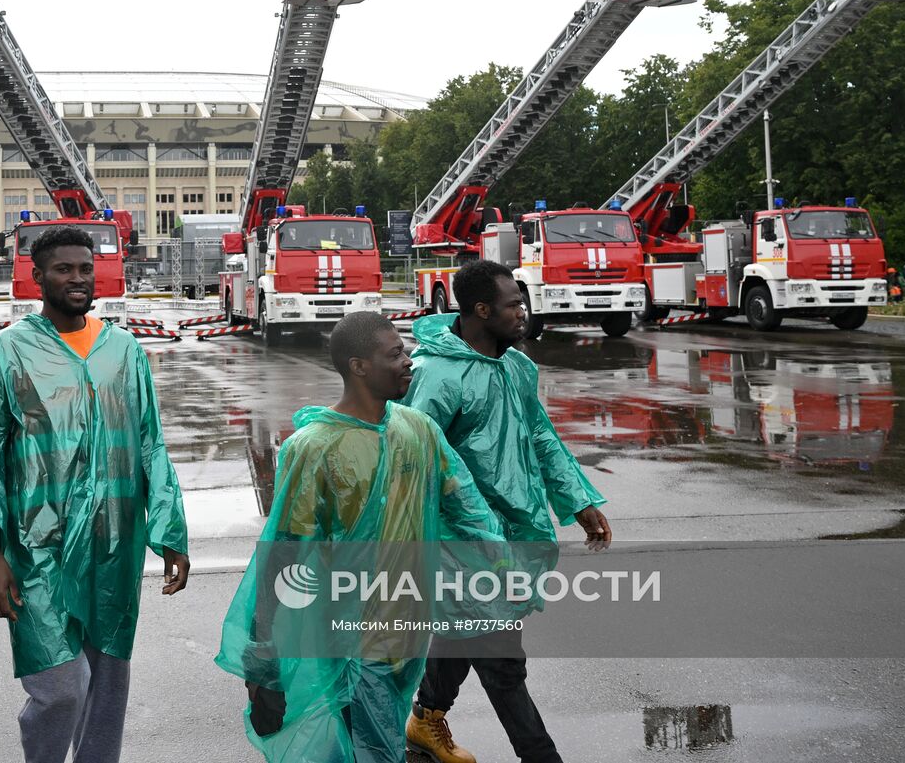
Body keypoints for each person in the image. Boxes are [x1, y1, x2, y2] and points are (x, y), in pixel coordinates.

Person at [215, 312, 504, 763]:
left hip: (408, 628)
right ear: (359, 366)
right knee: (372, 749)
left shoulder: (418, 430)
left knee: (373, 742)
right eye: (395, 354)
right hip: (350, 639)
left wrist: (504, 566)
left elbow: (467, 508)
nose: (409, 362)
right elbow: (283, 557)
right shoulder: (314, 449)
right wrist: (265, 663)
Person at [0, 225, 189, 763]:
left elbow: (150, 443)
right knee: (60, 687)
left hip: (114, 542)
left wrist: (170, 532)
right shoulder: (5, 353)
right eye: (64, 269)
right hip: (36, 546)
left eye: (86, 268)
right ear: (37, 277)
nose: (78, 279)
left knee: (108, 685)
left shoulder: (123, 351)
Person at [402, 260, 610, 763]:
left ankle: (425, 718)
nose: (523, 312)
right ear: (481, 310)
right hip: (460, 540)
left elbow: (540, 435)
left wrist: (578, 501)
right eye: (514, 305)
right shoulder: (437, 375)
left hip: (513, 527)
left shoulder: (517, 366)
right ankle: (541, 756)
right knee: (502, 660)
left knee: (466, 631)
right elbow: (414, 460)